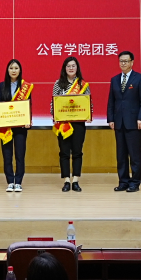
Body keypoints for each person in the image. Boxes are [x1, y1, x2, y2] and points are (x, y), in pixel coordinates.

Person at [107, 50, 141, 192]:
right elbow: (111, 101)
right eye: (121, 61)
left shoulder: (140, 79)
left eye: (126, 61)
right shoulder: (114, 79)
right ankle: (123, 181)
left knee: (134, 154)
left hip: (134, 122)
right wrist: (111, 119)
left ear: (132, 62)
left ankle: (135, 183)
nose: (123, 63)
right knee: (121, 155)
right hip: (118, 122)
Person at [0, 58, 32, 192]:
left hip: (20, 127)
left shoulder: (25, 87)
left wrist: (28, 120)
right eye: (11, 68)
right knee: (7, 155)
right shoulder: (2, 85)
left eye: (16, 68)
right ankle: (10, 181)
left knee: (20, 155)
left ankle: (18, 181)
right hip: (5, 126)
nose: (14, 71)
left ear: (20, 70)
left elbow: (28, 106)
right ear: (7, 70)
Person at [52, 56, 90, 192]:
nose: (71, 68)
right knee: (64, 152)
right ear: (64, 68)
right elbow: (53, 103)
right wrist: (54, 116)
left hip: (78, 123)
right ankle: (66, 180)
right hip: (63, 123)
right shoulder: (58, 84)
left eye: (73, 66)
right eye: (68, 66)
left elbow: (88, 102)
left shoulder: (83, 84)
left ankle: (75, 180)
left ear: (77, 68)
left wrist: (89, 115)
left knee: (77, 152)